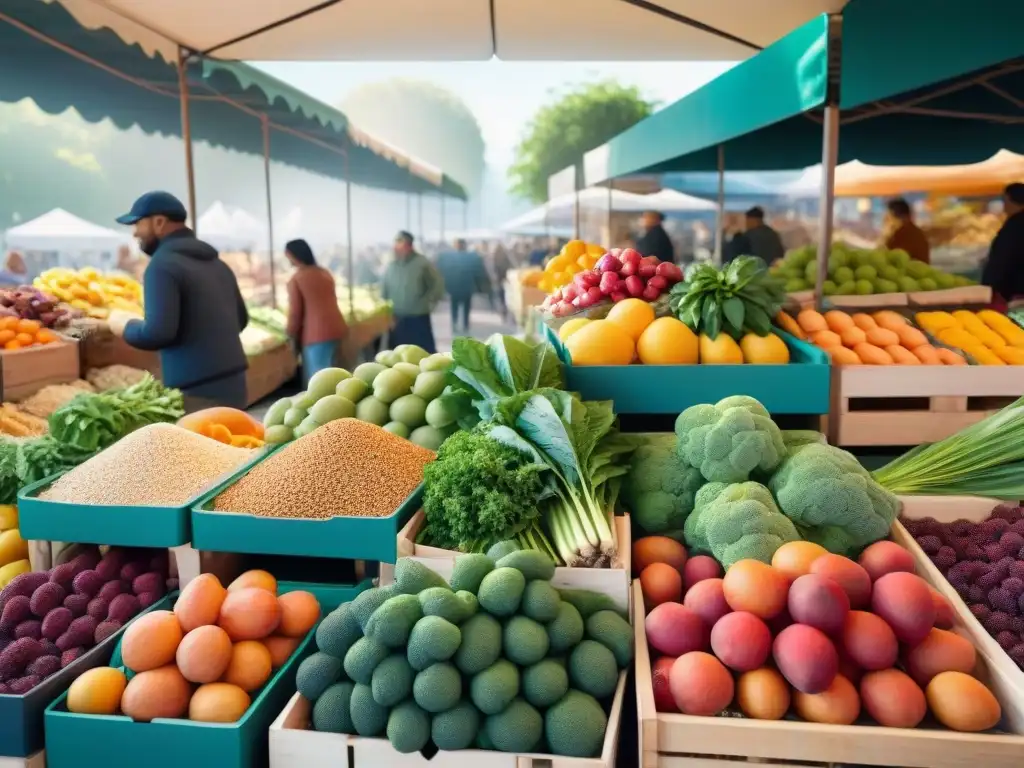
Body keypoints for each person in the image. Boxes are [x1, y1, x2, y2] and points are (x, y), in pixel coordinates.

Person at [106, 191, 250, 409]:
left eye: (137, 224)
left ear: (159, 222)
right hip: (237, 386)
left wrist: (125, 325)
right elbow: (241, 320)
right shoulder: (218, 265)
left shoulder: (161, 266)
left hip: (196, 393)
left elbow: (157, 333)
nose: (135, 234)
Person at [284, 239, 348, 385]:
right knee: (334, 375)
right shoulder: (324, 273)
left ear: (292, 255)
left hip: (316, 335)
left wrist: (289, 332)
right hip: (336, 328)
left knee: (319, 381)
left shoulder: (297, 279)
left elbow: (295, 313)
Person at [381, 231, 444, 353]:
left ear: (409, 245)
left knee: (423, 352)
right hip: (397, 318)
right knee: (398, 355)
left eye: (400, 243)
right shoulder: (391, 265)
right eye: (396, 243)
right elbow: (385, 289)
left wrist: (429, 302)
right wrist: (386, 312)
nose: (396, 247)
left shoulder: (422, 263)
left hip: (418, 318)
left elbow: (437, 284)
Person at [436, 238, 489, 335]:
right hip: (466, 287)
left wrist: (445, 286)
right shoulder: (471, 257)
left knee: (455, 307)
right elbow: (478, 272)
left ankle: (455, 325)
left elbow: (443, 272)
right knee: (465, 308)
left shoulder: (450, 257)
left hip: (455, 287)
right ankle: (464, 326)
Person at [982, 183, 1024, 306]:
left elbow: (1002, 259)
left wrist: (989, 287)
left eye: (1004, 201)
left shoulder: (1016, 225)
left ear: (1010, 200)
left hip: (1016, 292)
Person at [885, 198, 930, 264]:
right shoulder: (916, 232)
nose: (886, 220)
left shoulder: (904, 234)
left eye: (888, 217)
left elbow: (891, 257)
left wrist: (886, 235)